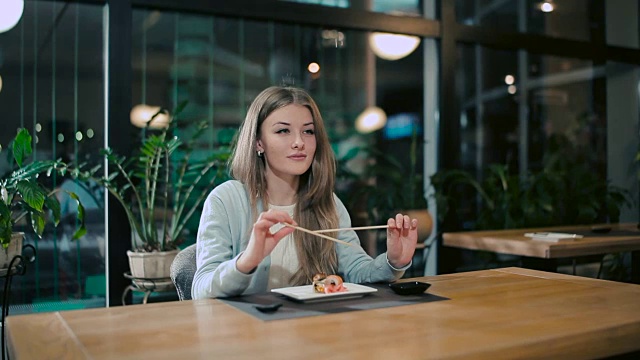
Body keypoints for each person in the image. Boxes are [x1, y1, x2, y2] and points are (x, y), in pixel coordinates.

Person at [191, 86, 419, 299]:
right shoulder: (226, 200)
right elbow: (201, 290)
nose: (299, 142)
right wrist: (248, 260)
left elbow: (356, 271)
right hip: (248, 333)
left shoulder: (327, 202)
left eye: (308, 132)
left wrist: (394, 261)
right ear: (258, 143)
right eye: (283, 131)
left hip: (313, 330)